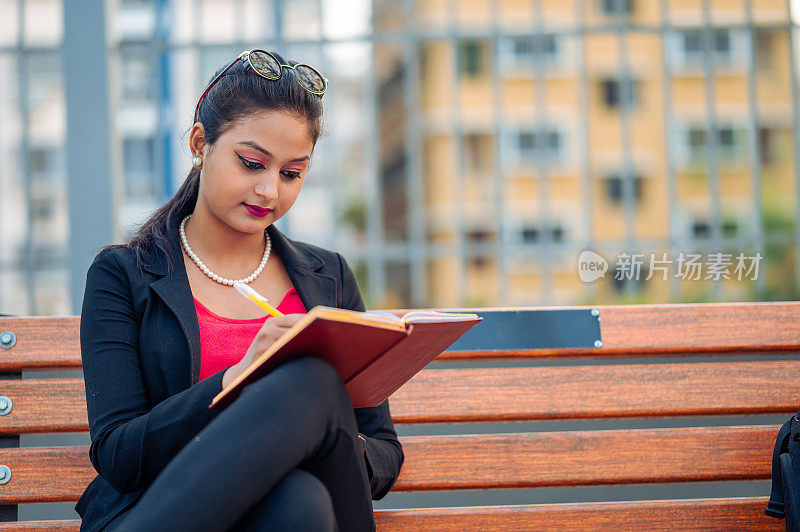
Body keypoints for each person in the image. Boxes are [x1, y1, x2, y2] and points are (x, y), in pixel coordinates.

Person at [75, 49, 404, 532]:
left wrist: (311, 428)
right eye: (252, 163)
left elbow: (383, 452)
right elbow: (120, 455)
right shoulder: (123, 274)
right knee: (311, 380)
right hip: (159, 512)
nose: (270, 190)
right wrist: (241, 377)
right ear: (200, 142)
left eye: (292, 174)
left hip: (295, 513)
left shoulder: (328, 277)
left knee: (302, 496)